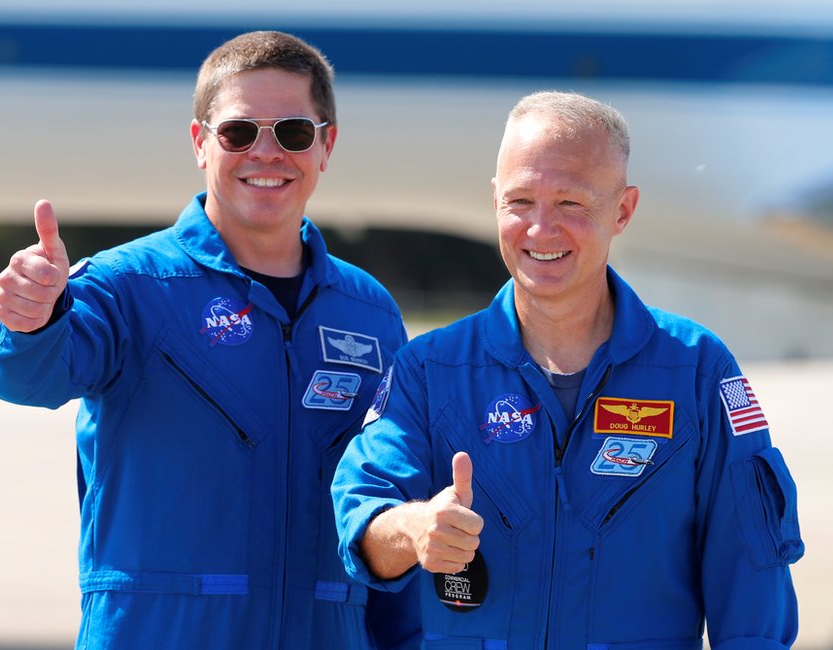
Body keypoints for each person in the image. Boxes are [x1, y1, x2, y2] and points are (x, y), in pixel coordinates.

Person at [0, 30, 419, 649]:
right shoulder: (129, 286)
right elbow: (29, 374)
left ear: (326, 146)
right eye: (239, 132)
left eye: (292, 131)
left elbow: (393, 505)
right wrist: (25, 318)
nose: (266, 153)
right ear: (200, 142)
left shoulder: (369, 312)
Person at [332, 90, 804, 649]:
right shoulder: (430, 369)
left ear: (623, 210)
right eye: (520, 201)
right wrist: (413, 530)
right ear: (495, 202)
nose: (540, 229)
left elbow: (752, 580)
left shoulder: (695, 370)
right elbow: (363, 521)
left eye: (571, 204)